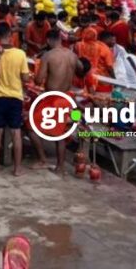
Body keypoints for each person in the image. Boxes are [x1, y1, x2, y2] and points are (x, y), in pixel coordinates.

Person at [34, 28, 79, 174]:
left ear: (48, 40)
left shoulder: (48, 55)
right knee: (61, 134)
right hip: (67, 97)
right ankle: (60, 166)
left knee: (29, 126)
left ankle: (43, 160)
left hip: (52, 99)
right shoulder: (72, 55)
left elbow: (38, 79)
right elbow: (82, 68)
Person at [0, 22, 31, 176]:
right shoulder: (20, 54)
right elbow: (26, 78)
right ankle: (17, 169)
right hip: (15, 98)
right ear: (10, 35)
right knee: (16, 133)